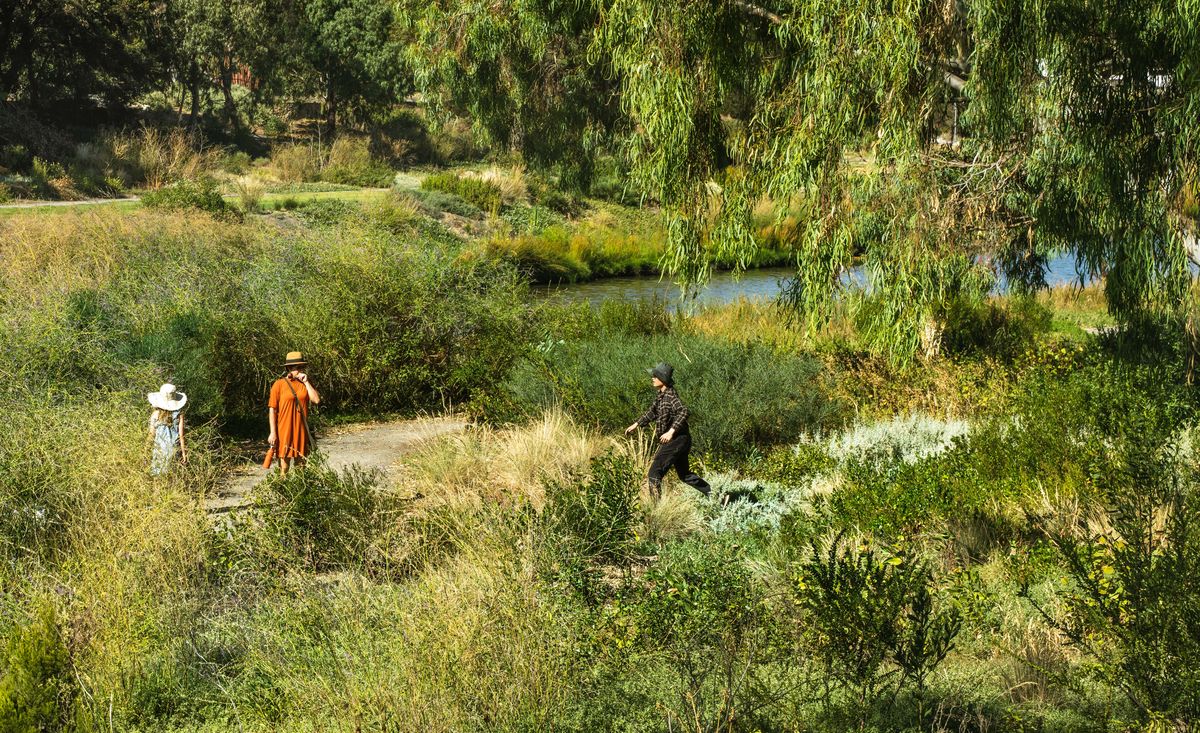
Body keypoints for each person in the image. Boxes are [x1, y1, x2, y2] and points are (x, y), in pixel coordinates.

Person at [625, 362, 711, 500]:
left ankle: (656, 509)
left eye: (654, 376)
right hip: (681, 440)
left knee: (654, 473)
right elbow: (652, 412)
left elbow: (684, 411)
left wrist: (671, 431)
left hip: (676, 440)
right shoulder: (661, 396)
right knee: (685, 475)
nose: (652, 378)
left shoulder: (670, 396)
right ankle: (719, 496)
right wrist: (636, 424)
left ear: (662, 379)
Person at [268, 351, 321, 476]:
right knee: (284, 468)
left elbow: (316, 400)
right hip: (284, 430)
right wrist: (273, 433)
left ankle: (300, 493)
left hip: (301, 430)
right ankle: (283, 493)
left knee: (301, 468)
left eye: (301, 367)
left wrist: (307, 382)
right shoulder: (279, 384)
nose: (299, 370)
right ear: (289, 369)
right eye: (296, 367)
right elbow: (272, 409)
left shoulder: (305, 384)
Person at [148, 383, 187, 476]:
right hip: (173, 449)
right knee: (172, 475)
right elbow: (181, 436)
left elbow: (151, 434)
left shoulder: (155, 414)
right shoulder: (179, 415)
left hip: (159, 450)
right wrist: (184, 453)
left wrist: (146, 449)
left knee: (158, 476)